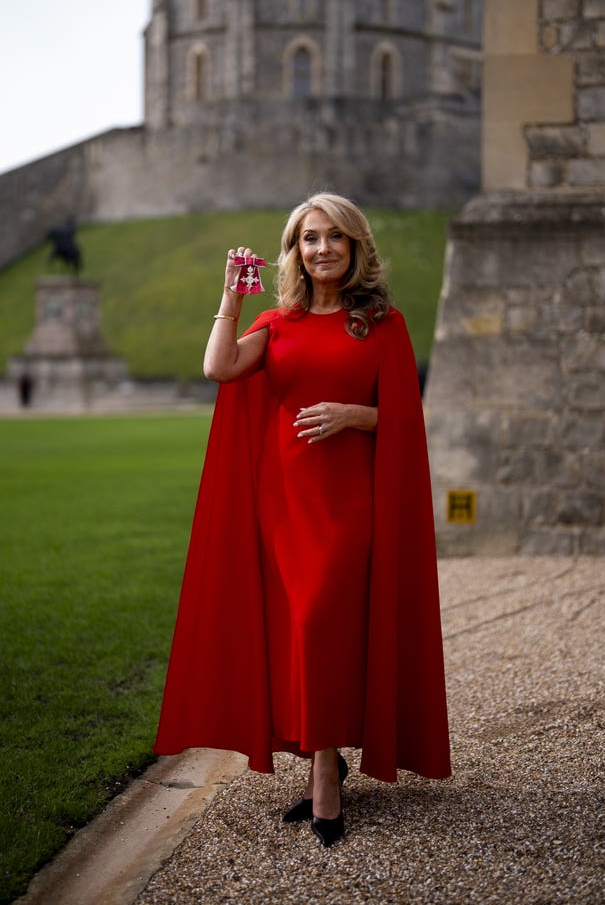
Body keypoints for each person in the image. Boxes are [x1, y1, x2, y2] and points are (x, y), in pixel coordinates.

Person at [154, 193, 451, 847]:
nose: (323, 249)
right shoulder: (277, 322)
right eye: (310, 238)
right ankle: (326, 758)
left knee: (321, 621)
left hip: (350, 503)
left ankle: (324, 778)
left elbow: (408, 417)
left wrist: (354, 415)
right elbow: (219, 367)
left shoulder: (381, 324)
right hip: (284, 503)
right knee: (302, 633)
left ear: (355, 246)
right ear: (295, 251)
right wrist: (231, 297)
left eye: (335, 237)